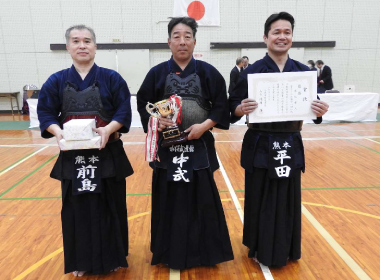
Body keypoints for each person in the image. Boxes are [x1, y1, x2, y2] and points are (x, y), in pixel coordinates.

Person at [229, 12, 329, 267]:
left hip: (289, 142)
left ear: (292, 38)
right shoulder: (250, 72)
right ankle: (259, 246)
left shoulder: (303, 73)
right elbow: (231, 111)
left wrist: (319, 111)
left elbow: (313, 110)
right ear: (265, 37)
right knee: (259, 195)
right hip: (260, 144)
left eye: (287, 32)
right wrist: (242, 108)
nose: (282, 37)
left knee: (287, 198)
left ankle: (286, 247)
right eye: (276, 32)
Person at [137, 17, 234, 270]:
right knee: (168, 200)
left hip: (198, 147)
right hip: (166, 150)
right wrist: (155, 122)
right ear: (168, 42)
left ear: (194, 41)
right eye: (177, 36)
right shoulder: (156, 73)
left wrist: (204, 126)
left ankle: (205, 253)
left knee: (202, 200)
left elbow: (221, 107)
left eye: (187, 36)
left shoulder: (208, 72)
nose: (182, 41)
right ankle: (169, 252)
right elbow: (143, 105)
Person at [37, 25, 133, 276]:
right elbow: (45, 112)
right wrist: (59, 133)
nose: (82, 45)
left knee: (110, 206)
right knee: (75, 210)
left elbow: (124, 111)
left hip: (107, 153)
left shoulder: (112, 78)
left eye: (87, 41)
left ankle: (113, 256)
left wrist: (108, 128)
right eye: (76, 41)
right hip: (73, 157)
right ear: (68, 47)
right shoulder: (56, 80)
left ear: (95, 46)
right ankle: (80, 260)